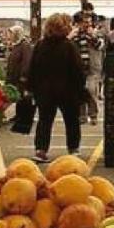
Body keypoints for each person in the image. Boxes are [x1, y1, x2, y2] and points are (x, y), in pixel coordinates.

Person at [29, 13, 84, 163]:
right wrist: (80, 90)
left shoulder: (40, 45)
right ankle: (73, 150)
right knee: (71, 121)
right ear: (64, 28)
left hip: (45, 91)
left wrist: (32, 89)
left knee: (44, 121)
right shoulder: (69, 46)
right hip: (67, 91)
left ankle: (41, 150)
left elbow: (32, 68)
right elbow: (78, 70)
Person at [70, 13, 104, 125]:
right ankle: (81, 115)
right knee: (79, 92)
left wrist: (92, 36)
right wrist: (71, 36)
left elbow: (100, 46)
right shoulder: (74, 35)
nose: (87, 24)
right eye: (85, 22)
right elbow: (69, 47)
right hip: (77, 69)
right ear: (79, 23)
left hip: (92, 68)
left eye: (89, 22)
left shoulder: (95, 34)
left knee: (91, 90)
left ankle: (93, 115)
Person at [5, 25, 35, 133]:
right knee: (19, 97)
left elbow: (27, 62)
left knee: (23, 97)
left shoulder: (25, 45)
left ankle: (23, 117)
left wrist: (24, 75)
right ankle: (18, 115)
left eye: (12, 33)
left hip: (21, 78)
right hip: (15, 78)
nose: (10, 36)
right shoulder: (16, 45)